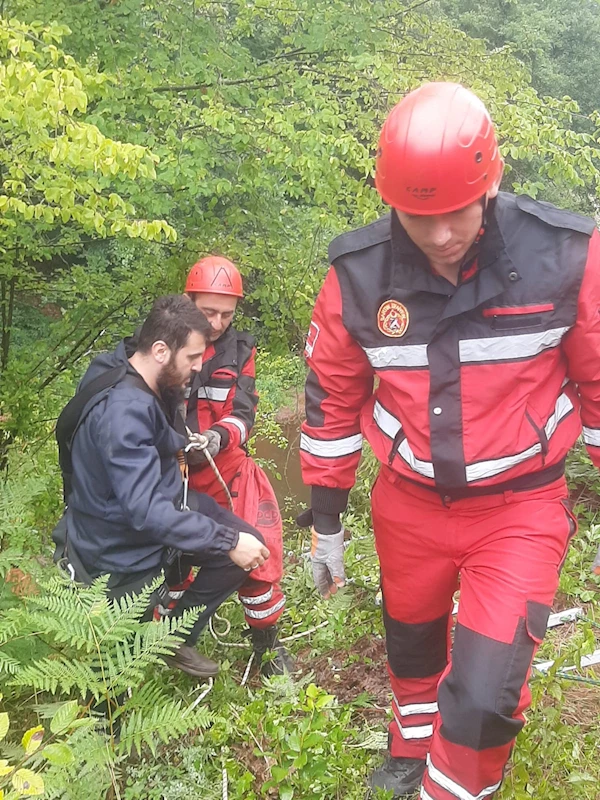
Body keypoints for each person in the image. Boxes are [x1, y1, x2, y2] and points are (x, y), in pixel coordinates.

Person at [299, 81, 600, 799]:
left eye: (458, 211)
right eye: (419, 215)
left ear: (491, 183)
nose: (440, 235)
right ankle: (410, 745)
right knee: (413, 641)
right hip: (409, 505)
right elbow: (333, 405)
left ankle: (452, 788)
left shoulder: (568, 257)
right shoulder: (357, 278)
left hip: (520, 508)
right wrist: (327, 526)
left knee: (489, 687)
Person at [60, 294, 270, 679]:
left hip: (160, 509)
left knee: (249, 545)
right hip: (118, 547)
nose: (198, 366)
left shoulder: (132, 366)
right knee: (115, 676)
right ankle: (116, 712)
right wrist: (225, 541)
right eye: (191, 358)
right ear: (160, 350)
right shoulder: (125, 414)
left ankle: (174, 638)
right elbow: (144, 511)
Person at [183, 256, 293, 675]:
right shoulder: (164, 343)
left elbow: (243, 413)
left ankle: (266, 647)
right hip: (177, 474)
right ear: (188, 301)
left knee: (257, 554)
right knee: (177, 562)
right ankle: (173, 640)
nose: (216, 322)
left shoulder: (240, 351)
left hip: (228, 471)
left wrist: (217, 436)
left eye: (226, 313)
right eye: (207, 311)